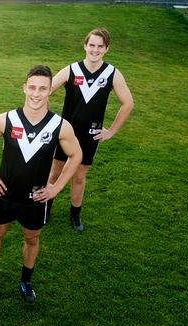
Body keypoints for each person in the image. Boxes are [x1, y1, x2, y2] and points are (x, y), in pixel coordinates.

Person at [0, 65, 82, 304]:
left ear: (50, 90)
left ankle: (26, 281)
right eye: (32, 87)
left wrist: (56, 187)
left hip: (36, 199)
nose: (36, 93)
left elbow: (77, 156)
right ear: (24, 88)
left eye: (42, 88)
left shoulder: (59, 126)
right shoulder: (7, 119)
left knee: (31, 239)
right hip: (4, 195)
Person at [48, 27, 134, 232]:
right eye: (91, 45)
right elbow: (45, 90)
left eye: (100, 46)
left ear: (106, 49)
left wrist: (111, 131)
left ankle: (75, 215)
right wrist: (49, 121)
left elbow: (128, 103)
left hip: (89, 136)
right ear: (85, 46)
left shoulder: (112, 73)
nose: (95, 50)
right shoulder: (72, 70)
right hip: (65, 134)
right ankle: (45, 208)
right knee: (54, 173)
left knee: (78, 176)